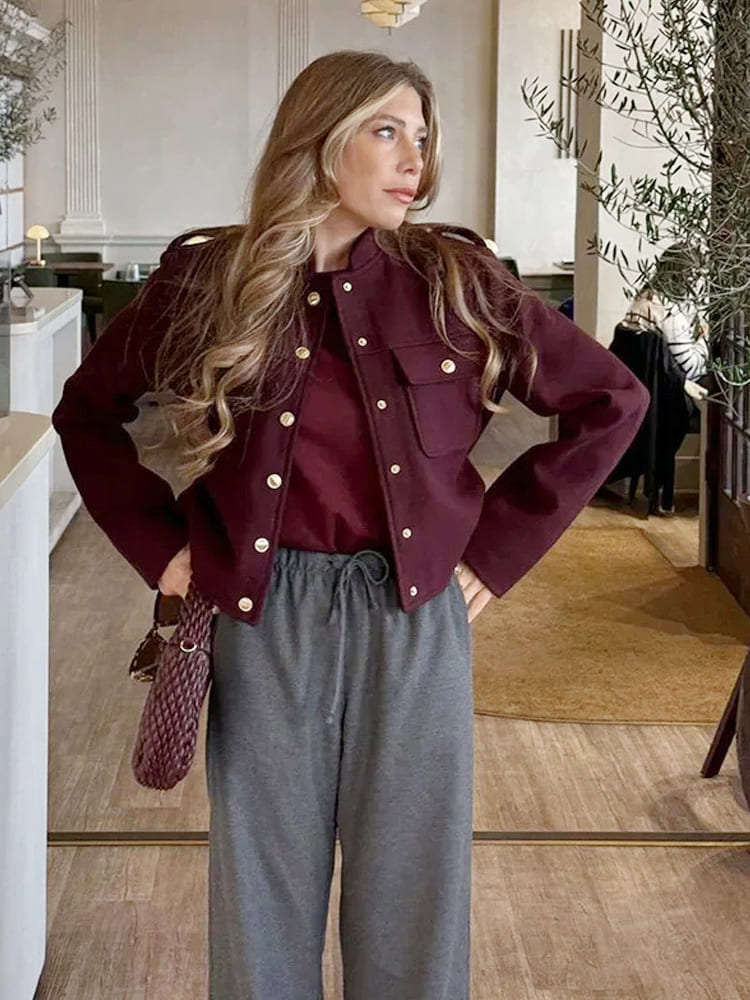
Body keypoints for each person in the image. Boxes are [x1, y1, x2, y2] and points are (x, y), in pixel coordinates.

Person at [52, 50, 649, 1000]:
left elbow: (612, 400)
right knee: (260, 904)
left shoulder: (456, 279)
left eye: (423, 137)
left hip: (414, 620)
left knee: (415, 904)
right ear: (319, 140)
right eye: (386, 131)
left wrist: (495, 552)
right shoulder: (209, 281)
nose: (415, 159)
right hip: (263, 621)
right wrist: (162, 552)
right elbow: (86, 414)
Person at [620, 243, 711, 382]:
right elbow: (691, 371)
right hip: (665, 389)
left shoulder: (642, 298)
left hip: (638, 382)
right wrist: (705, 339)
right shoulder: (669, 314)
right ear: (688, 277)